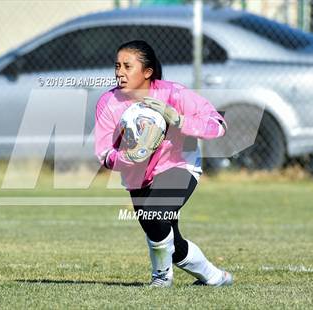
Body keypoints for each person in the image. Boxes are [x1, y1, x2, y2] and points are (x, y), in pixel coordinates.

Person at [94, 40, 232, 287]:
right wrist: (127, 157)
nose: (119, 72)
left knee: (154, 213)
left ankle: (161, 279)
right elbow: (104, 152)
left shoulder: (174, 93)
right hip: (137, 178)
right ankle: (215, 277)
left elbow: (218, 125)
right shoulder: (108, 102)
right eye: (117, 66)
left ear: (147, 72)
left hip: (179, 166)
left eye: (128, 66)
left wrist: (178, 119)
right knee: (169, 240)